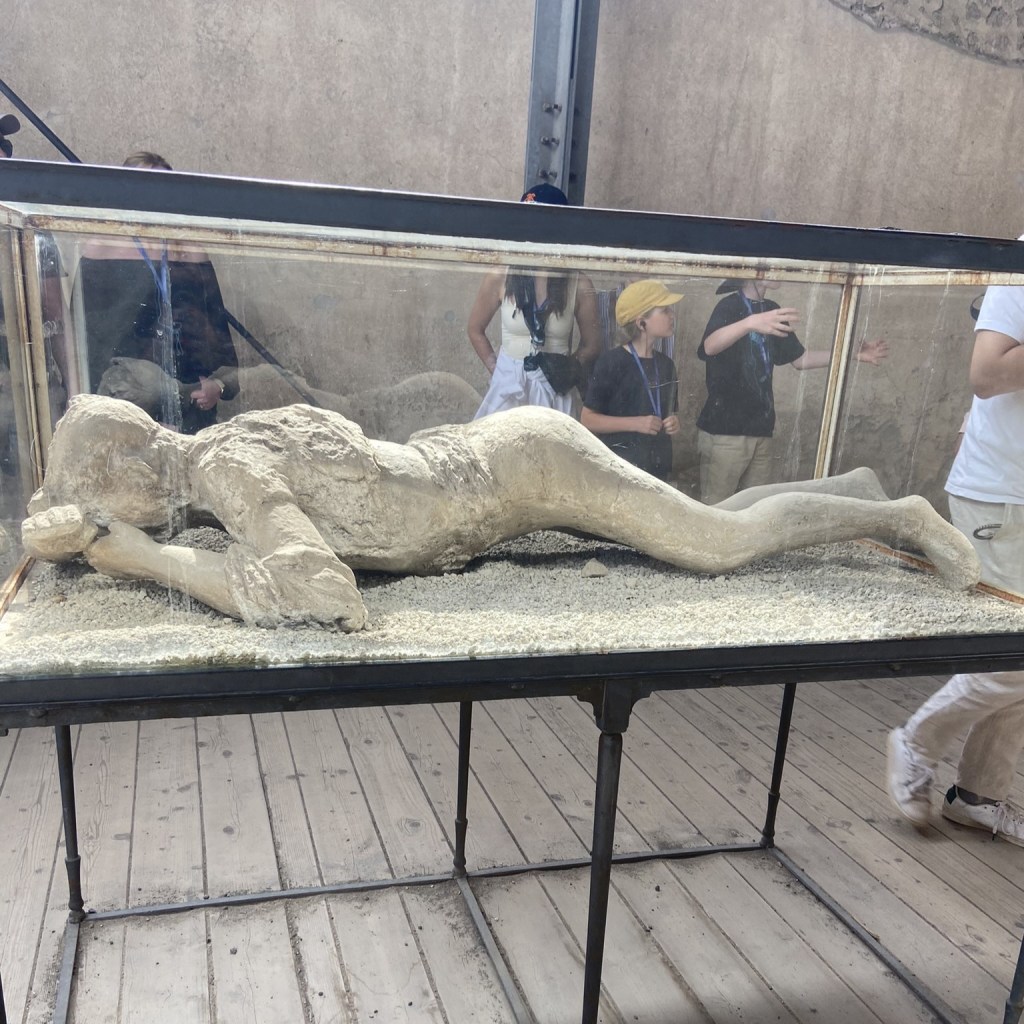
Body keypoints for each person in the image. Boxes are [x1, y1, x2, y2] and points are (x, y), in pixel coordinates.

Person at [22, 394, 979, 632]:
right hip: (498, 458)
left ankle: (897, 516)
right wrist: (86, 539)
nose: (100, 514)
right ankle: (850, 493)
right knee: (701, 517)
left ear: (131, 473)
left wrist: (140, 557)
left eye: (97, 497)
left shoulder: (226, 470)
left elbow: (319, 591)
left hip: (516, 473)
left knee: (715, 546)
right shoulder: (213, 453)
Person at [887, 282, 1024, 845]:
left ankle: (978, 796)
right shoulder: (1018, 266)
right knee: (1015, 657)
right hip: (1002, 497)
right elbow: (987, 373)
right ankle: (916, 742)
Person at [73, 152, 239, 433]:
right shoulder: (101, 249)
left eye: (162, 187)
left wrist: (218, 386)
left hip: (189, 403)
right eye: (143, 185)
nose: (152, 197)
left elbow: (218, 338)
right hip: (124, 404)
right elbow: (87, 340)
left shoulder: (190, 251)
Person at [696, 278, 889, 504]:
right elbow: (709, 346)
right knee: (717, 506)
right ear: (755, 271)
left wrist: (852, 354)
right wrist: (750, 323)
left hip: (761, 429)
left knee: (756, 506)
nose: (781, 270)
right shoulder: (729, 305)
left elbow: (800, 359)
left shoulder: (771, 309)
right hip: (725, 430)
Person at [467, 184, 602, 417]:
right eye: (527, 220)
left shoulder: (578, 283)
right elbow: (475, 329)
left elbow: (592, 344)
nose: (531, 228)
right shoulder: (501, 275)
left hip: (555, 392)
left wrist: (566, 370)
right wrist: (499, 371)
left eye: (540, 220)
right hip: (510, 389)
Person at [581, 279, 682, 481]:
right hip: (620, 470)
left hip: (657, 469)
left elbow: (667, 413)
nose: (672, 315)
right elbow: (587, 419)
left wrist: (673, 423)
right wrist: (636, 423)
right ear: (641, 323)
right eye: (665, 310)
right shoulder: (611, 362)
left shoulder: (666, 365)